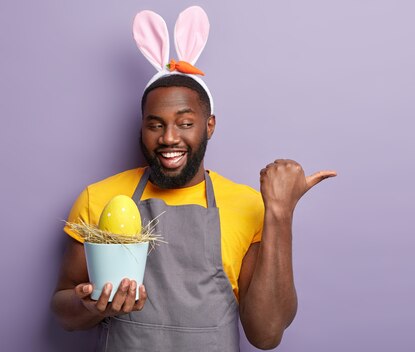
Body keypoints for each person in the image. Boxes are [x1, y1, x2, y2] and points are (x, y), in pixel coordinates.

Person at [50, 7, 336, 351]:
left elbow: (266, 333)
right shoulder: (99, 198)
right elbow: (62, 311)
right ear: (142, 127)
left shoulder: (247, 205)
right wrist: (89, 305)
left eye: (185, 123)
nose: (169, 137)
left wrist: (280, 212)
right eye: (155, 124)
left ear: (209, 126)